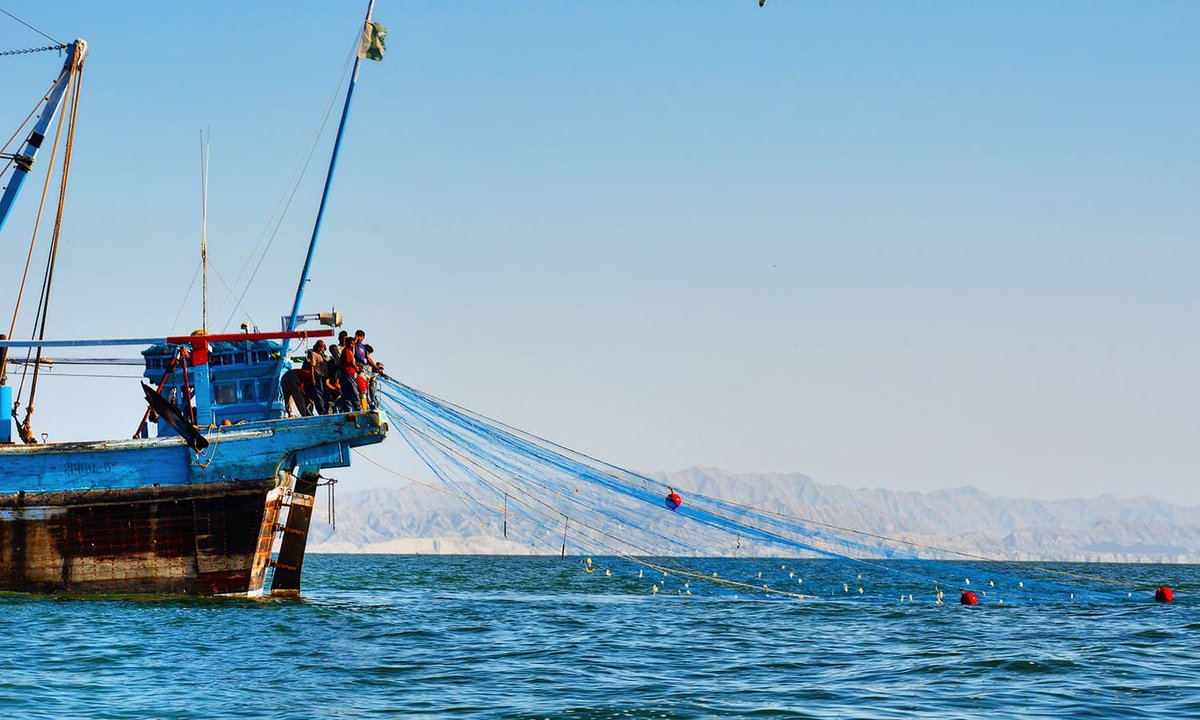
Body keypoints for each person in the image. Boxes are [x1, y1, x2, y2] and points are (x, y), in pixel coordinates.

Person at [304, 340, 330, 415]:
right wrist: (313, 379)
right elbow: (312, 367)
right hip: (317, 377)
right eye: (322, 346)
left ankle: (325, 409)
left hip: (322, 378)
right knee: (318, 394)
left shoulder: (322, 355)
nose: (324, 348)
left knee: (323, 394)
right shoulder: (314, 354)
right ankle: (322, 411)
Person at [337, 334, 360, 412]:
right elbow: (351, 363)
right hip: (348, 374)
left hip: (346, 375)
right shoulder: (346, 351)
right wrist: (357, 368)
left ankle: (348, 409)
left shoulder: (348, 351)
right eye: (350, 344)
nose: (351, 345)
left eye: (352, 344)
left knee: (346, 393)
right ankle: (358, 408)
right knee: (354, 392)